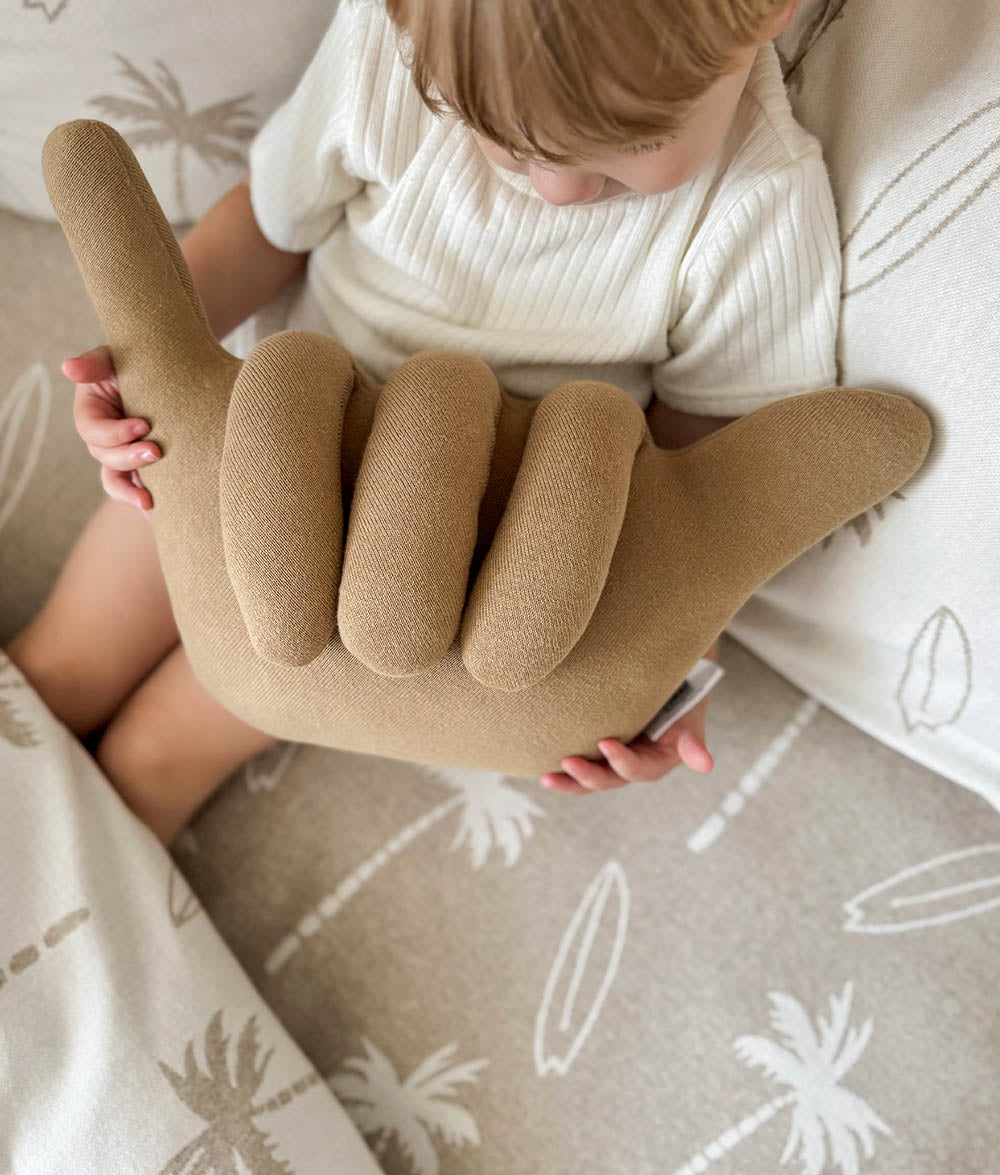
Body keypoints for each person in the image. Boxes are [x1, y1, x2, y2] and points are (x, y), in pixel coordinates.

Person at [5, 0, 839, 844]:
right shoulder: (395, 45)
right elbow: (263, 230)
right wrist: (137, 373)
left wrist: (667, 669)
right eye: (504, 139)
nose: (558, 187)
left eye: (632, 144)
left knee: (153, 763)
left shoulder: (759, 211)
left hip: (432, 577)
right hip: (256, 451)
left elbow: (696, 494)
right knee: (54, 674)